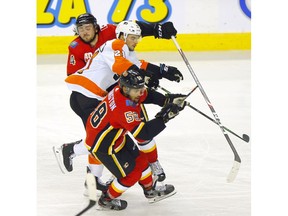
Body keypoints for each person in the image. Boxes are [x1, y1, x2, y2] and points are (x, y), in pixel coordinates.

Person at [53, 15, 182, 192]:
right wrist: (142, 77)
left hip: (96, 96)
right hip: (88, 97)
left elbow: (137, 61)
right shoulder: (115, 45)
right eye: (81, 28)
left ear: (96, 27)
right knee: (101, 140)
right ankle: (71, 150)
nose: (136, 41)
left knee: (104, 139)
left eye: (88, 27)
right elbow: (121, 66)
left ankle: (92, 180)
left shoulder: (118, 40)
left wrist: (162, 70)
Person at [84, 69, 187, 210]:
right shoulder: (124, 109)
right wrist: (165, 117)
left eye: (141, 87)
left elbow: (146, 94)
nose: (141, 92)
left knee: (142, 160)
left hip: (114, 136)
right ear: (126, 88)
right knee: (131, 176)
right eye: (137, 90)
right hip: (103, 147)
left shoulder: (123, 91)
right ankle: (106, 199)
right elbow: (143, 134)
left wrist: (166, 100)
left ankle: (150, 191)